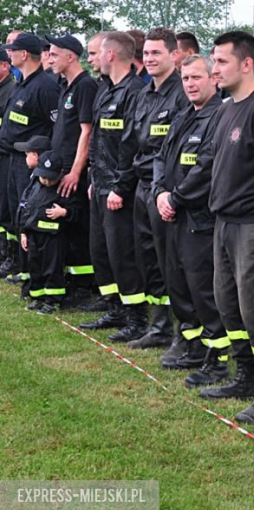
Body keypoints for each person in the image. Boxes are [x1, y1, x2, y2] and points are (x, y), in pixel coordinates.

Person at [195, 31, 254, 408]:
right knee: (227, 302)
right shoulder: (226, 108)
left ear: (247, 64)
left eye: (222, 62)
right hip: (224, 222)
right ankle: (244, 375)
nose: (215, 69)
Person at [152, 54, 229, 385]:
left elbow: (207, 168)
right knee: (179, 284)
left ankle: (219, 358)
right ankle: (192, 344)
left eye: (197, 78)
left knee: (204, 291)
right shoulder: (184, 116)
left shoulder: (219, 116)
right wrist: (158, 192)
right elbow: (161, 156)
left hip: (199, 218)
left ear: (214, 79)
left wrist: (176, 197)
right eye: (185, 79)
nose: (190, 84)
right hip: (173, 215)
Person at [79, 31, 148, 341]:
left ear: (110, 55)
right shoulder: (105, 90)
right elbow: (97, 140)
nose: (93, 60)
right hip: (101, 184)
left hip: (120, 189)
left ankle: (136, 317)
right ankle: (114, 307)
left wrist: (120, 187)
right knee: (101, 250)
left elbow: (132, 146)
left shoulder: (134, 92)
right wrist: (94, 176)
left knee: (123, 254)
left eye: (97, 53)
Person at [127, 27, 188, 349]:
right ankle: (159, 325)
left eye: (157, 53)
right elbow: (136, 144)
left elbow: (175, 151)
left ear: (174, 56)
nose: (150, 59)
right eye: (147, 53)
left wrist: (164, 190)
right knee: (148, 258)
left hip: (163, 188)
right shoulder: (144, 93)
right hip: (141, 185)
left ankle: (181, 332)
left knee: (169, 262)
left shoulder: (181, 94)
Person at [0, 33, 59, 283]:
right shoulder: (23, 83)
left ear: (24, 54)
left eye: (12, 50)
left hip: (29, 161)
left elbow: (57, 127)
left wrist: (44, 160)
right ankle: (21, 265)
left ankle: (33, 269)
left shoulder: (45, 86)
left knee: (29, 214)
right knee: (16, 213)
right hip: (12, 159)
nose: (9, 54)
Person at [46, 34, 99, 308]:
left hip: (74, 169)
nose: (50, 59)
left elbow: (86, 132)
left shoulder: (85, 86)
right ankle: (73, 280)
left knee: (78, 227)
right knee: (67, 227)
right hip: (62, 166)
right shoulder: (66, 86)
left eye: (54, 54)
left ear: (71, 56)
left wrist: (77, 171)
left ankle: (85, 286)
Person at [18, 150, 76, 314]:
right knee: (35, 267)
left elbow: (77, 211)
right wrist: (23, 232)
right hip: (33, 235)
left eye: (51, 178)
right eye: (43, 177)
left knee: (52, 269)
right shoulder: (34, 186)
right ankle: (38, 297)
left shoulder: (65, 189)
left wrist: (64, 213)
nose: (47, 181)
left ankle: (53, 300)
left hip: (54, 238)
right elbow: (26, 209)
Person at [0, 48, 16, 269]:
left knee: (6, 209)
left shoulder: (11, 90)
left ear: (5, 65)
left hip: (6, 155)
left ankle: (9, 255)